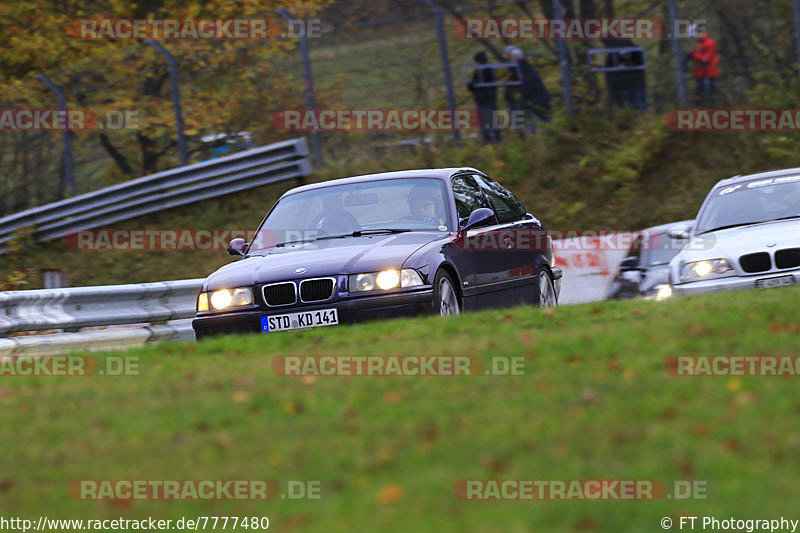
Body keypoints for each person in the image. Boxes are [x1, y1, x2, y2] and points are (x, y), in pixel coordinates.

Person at [504, 46, 551, 135]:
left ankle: (536, 140)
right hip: (538, 99)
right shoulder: (525, 67)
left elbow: (521, 86)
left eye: (511, 57)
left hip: (533, 100)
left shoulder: (519, 70)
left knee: (537, 121)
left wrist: (519, 97)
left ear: (514, 57)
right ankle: (545, 138)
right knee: (544, 121)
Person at [467, 51, 501, 143]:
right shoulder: (479, 71)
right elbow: (473, 85)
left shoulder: (487, 70)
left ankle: (495, 141)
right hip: (483, 101)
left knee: (491, 123)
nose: (474, 63)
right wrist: (472, 85)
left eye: (475, 61)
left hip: (487, 100)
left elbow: (476, 84)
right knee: (486, 123)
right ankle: (490, 141)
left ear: (478, 61)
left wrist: (472, 85)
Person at [685, 25, 719, 107]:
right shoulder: (701, 44)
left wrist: (693, 54)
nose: (694, 39)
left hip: (709, 74)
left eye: (694, 37)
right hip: (702, 74)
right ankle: (699, 108)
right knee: (699, 92)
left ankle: (712, 109)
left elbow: (706, 59)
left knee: (710, 94)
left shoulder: (709, 43)